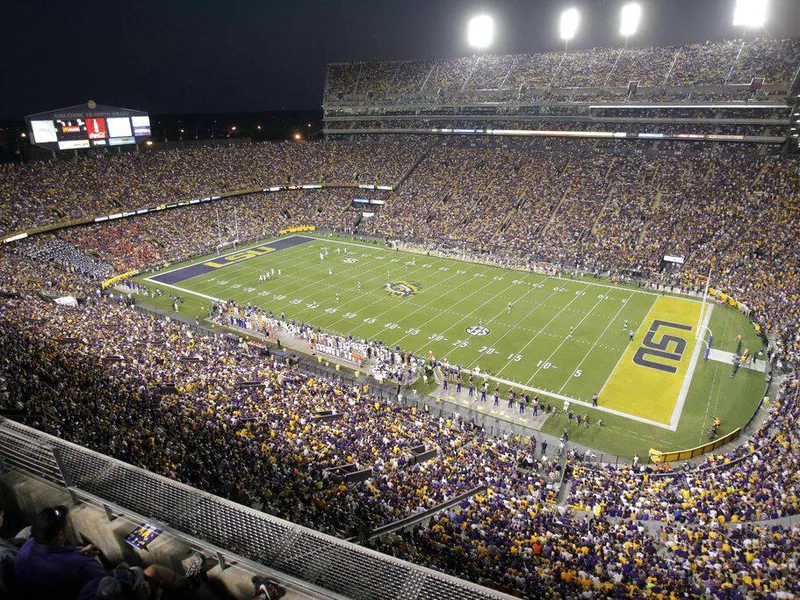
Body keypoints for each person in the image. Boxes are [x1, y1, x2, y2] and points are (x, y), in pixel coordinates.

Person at [14, 505, 108, 598]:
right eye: (69, 525)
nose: (70, 527)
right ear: (60, 535)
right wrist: (118, 571)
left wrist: (76, 553)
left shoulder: (26, 547)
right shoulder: (81, 563)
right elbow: (105, 580)